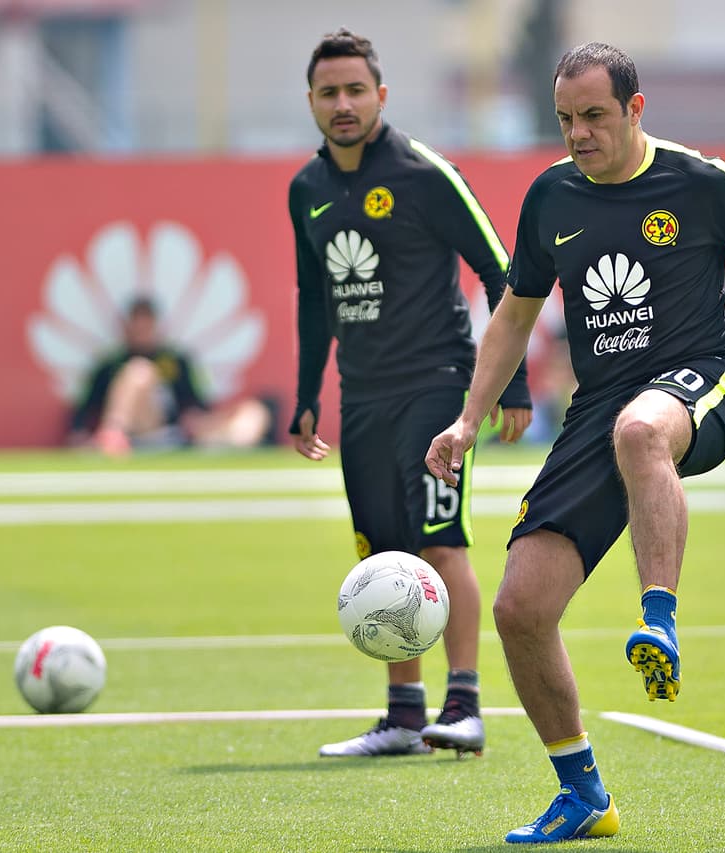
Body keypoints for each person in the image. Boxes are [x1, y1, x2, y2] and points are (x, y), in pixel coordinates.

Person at [425, 42, 725, 843]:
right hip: (598, 406)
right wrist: (467, 417)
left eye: (594, 115)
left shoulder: (699, 181)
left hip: (702, 382)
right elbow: (515, 315)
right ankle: (584, 794)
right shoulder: (551, 197)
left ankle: (657, 617)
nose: (579, 133)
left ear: (635, 109)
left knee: (641, 431)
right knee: (520, 608)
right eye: (565, 119)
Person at [288, 29, 532, 758]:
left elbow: (503, 272)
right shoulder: (307, 189)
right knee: (381, 553)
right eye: (329, 92)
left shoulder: (426, 173)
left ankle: (465, 706)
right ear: (311, 101)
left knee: (437, 540)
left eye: (355, 90)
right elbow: (313, 298)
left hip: (438, 385)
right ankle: (402, 717)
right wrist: (307, 393)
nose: (343, 104)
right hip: (361, 397)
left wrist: (509, 384)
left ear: (381, 96)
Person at [68, 296, 273, 456]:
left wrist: (195, 419)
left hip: (178, 434)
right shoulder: (110, 364)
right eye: (137, 324)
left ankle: (228, 448)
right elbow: (83, 409)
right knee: (138, 372)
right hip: (143, 431)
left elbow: (198, 403)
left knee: (253, 412)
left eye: (146, 324)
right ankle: (112, 438)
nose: (141, 330)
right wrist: (81, 435)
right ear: (126, 326)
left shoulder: (178, 360)